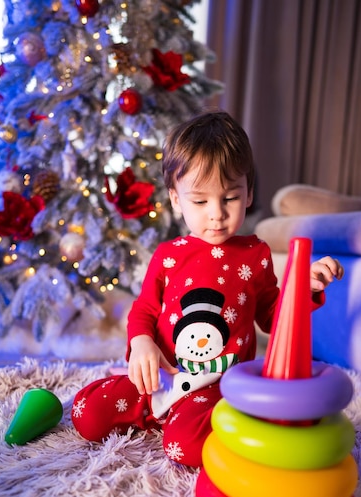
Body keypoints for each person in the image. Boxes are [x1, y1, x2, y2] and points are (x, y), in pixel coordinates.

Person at [71, 110, 344, 467]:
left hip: (218, 386)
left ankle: (207, 419)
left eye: (230, 197)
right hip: (161, 378)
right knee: (86, 415)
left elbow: (273, 320)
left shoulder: (256, 255)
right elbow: (145, 311)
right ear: (175, 199)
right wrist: (141, 343)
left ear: (248, 194)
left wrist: (302, 290)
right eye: (200, 201)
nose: (216, 213)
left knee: (183, 447)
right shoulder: (169, 256)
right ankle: (157, 414)